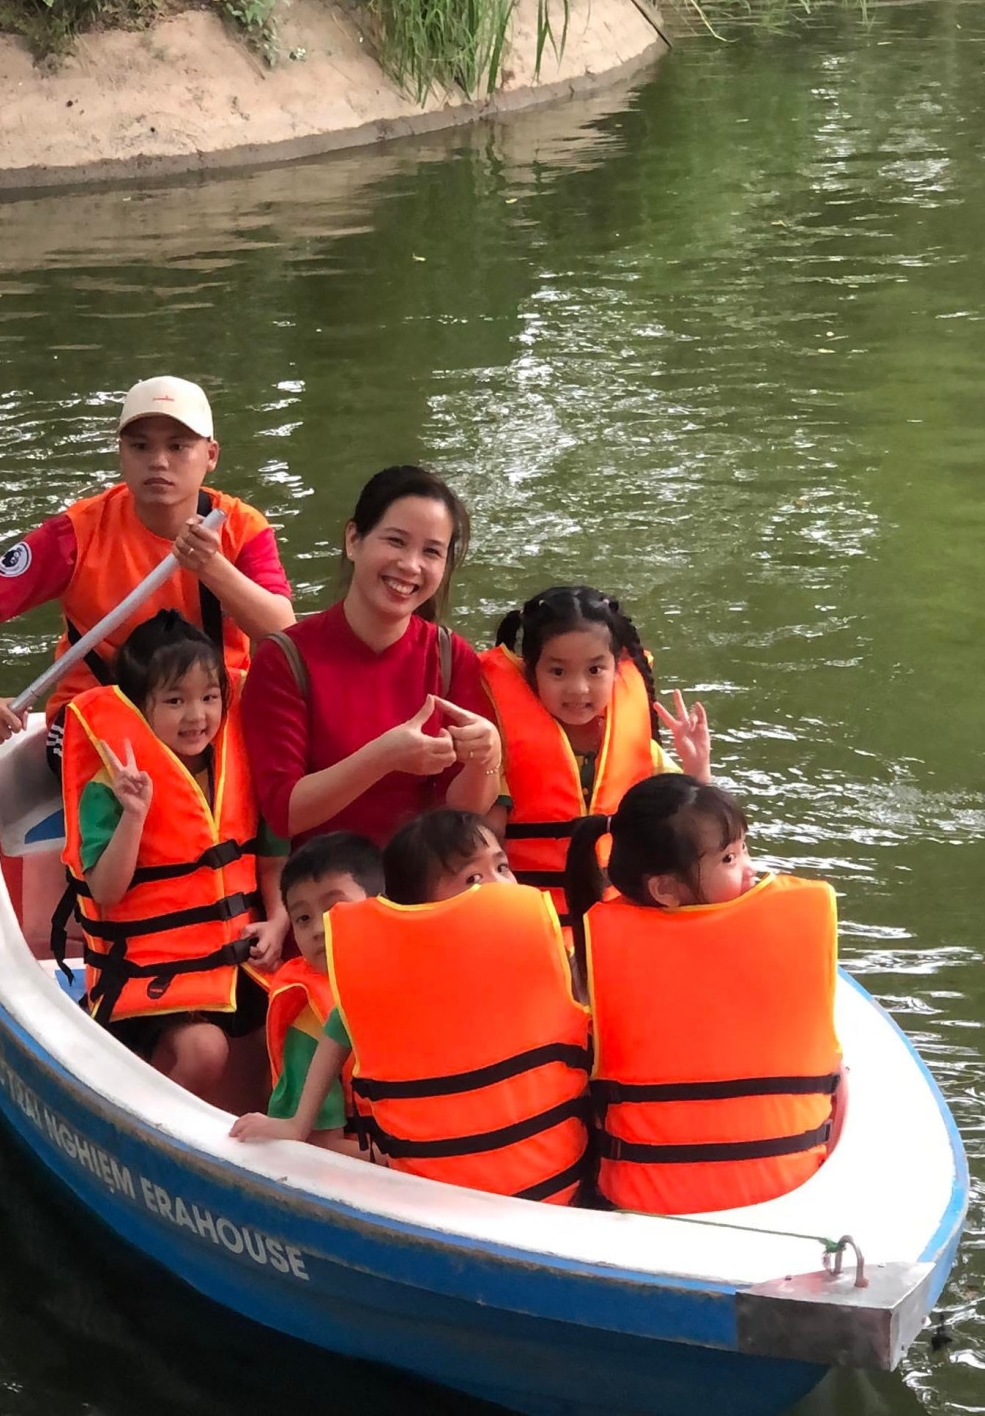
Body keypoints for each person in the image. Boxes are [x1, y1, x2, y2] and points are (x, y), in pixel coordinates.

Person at [0, 376, 295, 771]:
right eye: (140, 446)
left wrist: (212, 568)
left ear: (210, 455)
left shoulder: (242, 527)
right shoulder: (77, 532)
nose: (158, 461)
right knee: (152, 777)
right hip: (104, 710)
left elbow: (282, 632)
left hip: (208, 712)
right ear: (121, 453)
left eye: (177, 446)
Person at [232, 810, 590, 1206]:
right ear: (418, 908)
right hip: (437, 1200)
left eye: (502, 868)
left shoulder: (548, 953)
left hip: (558, 1199)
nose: (498, 887)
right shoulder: (385, 983)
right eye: (473, 878)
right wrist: (298, 1125)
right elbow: (338, 1028)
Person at [565, 775, 842, 1217]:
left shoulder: (592, 957)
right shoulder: (792, 935)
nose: (750, 868)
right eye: (730, 858)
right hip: (789, 1194)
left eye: (744, 848)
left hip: (645, 1204)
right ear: (664, 889)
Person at [59, 610, 290, 1112]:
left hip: (237, 962)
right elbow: (105, 891)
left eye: (209, 697)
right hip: (147, 975)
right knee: (205, 1050)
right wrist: (134, 815)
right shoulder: (109, 787)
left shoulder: (238, 764)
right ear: (139, 707)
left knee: (288, 1036)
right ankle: (143, 1127)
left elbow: (272, 856)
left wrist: (278, 920)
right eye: (174, 700)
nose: (196, 716)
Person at [242, 466, 501, 848]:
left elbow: (463, 812)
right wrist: (383, 756)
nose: (410, 565)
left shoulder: (451, 656)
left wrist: (486, 758)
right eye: (396, 541)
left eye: (431, 551)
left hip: (423, 874)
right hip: (327, 876)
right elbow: (284, 812)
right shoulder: (284, 659)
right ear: (353, 540)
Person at [479, 585, 710, 924]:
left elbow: (693, 826)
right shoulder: (500, 746)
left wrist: (698, 767)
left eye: (595, 670)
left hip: (621, 918)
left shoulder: (639, 744)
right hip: (533, 920)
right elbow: (487, 842)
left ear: (616, 669)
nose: (578, 688)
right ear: (531, 671)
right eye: (558, 671)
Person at [265, 832, 384, 1154]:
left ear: (383, 903)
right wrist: (403, 1161)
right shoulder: (310, 1020)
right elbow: (320, 1146)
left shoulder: (420, 970)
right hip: (373, 1167)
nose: (318, 928)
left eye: (334, 908)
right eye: (303, 918)